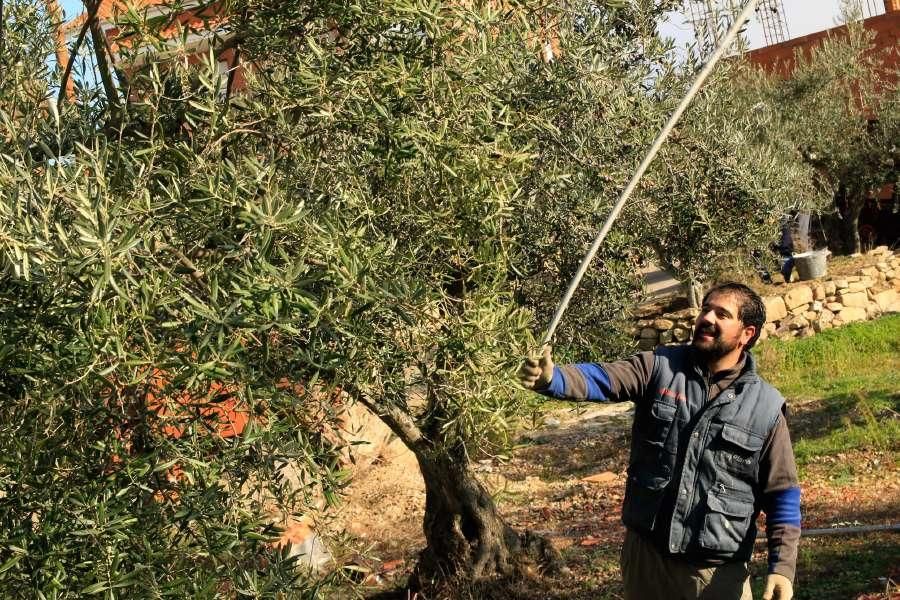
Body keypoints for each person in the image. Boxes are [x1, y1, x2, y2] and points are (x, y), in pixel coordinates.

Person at [520, 282, 800, 600]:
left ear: (746, 334)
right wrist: (552, 378)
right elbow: (604, 379)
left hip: (713, 575)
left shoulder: (765, 406)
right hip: (646, 560)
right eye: (706, 308)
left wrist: (782, 569)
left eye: (722, 314)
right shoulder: (660, 367)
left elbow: (782, 495)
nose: (707, 317)